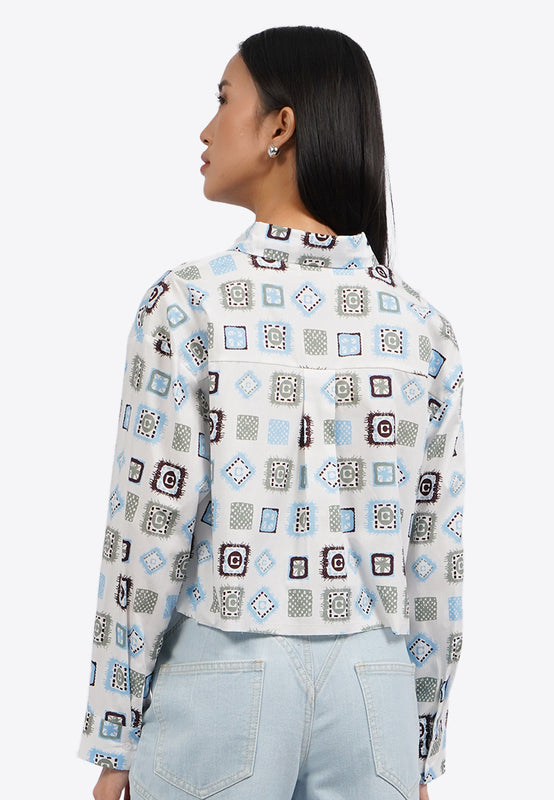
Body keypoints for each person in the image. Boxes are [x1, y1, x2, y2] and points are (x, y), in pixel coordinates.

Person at [78, 25, 465, 800]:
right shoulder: (423, 328)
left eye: (225, 101)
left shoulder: (190, 304)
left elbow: (149, 530)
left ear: (279, 127)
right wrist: (419, 745)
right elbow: (435, 555)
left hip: (226, 672)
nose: (206, 128)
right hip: (377, 690)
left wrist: (114, 731)